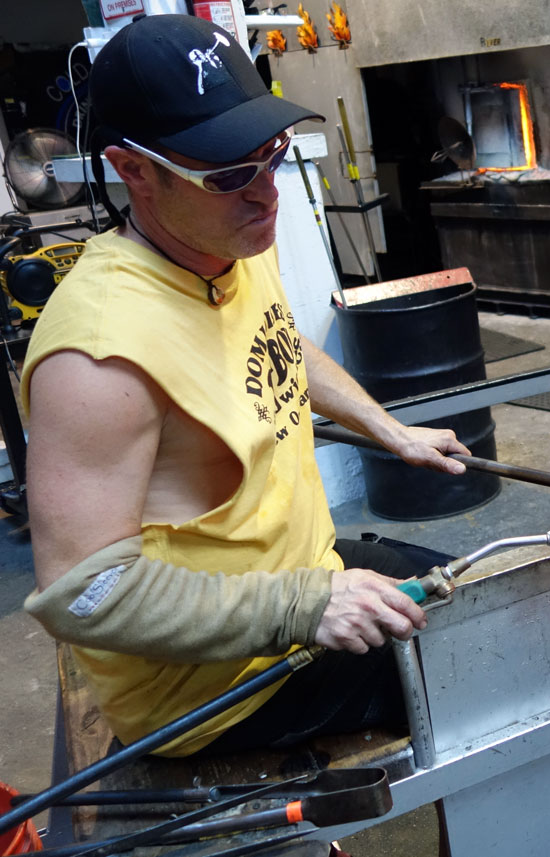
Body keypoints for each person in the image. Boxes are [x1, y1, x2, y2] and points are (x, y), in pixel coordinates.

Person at [19, 13, 470, 758]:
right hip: (215, 692)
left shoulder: (221, 241)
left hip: (303, 578)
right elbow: (82, 591)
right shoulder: (99, 355)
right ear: (135, 171)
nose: (267, 193)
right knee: (500, 659)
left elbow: (278, 344)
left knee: (494, 592)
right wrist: (305, 604)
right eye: (228, 173)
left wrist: (385, 427)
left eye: (272, 155)